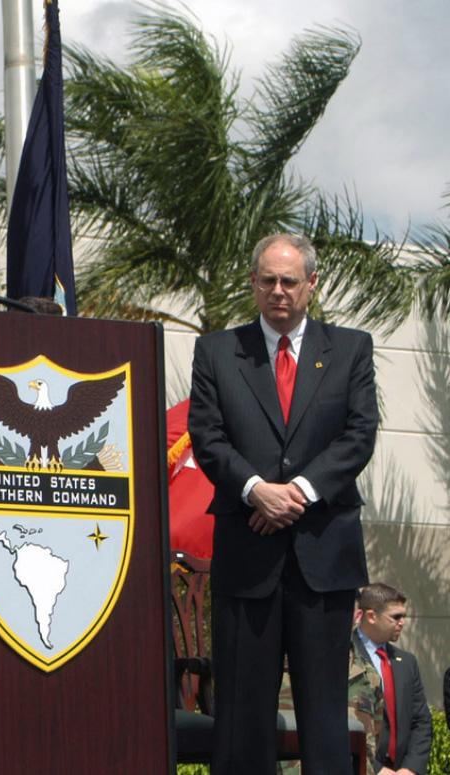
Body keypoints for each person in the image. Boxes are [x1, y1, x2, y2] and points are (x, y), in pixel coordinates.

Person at [189, 233, 378, 775]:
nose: (278, 291)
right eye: (267, 279)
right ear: (252, 283)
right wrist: (255, 489)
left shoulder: (350, 349)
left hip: (324, 558)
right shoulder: (218, 351)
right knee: (243, 716)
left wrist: (296, 493)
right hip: (247, 562)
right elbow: (208, 435)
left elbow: (359, 435)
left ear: (311, 285)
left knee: (323, 718)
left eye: (289, 280)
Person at [352, 583, 431, 775]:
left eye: (403, 616)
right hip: (360, 768)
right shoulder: (343, 656)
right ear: (371, 616)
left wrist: (410, 768)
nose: (403, 622)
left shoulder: (407, 663)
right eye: (396, 616)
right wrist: (378, 770)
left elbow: (421, 722)